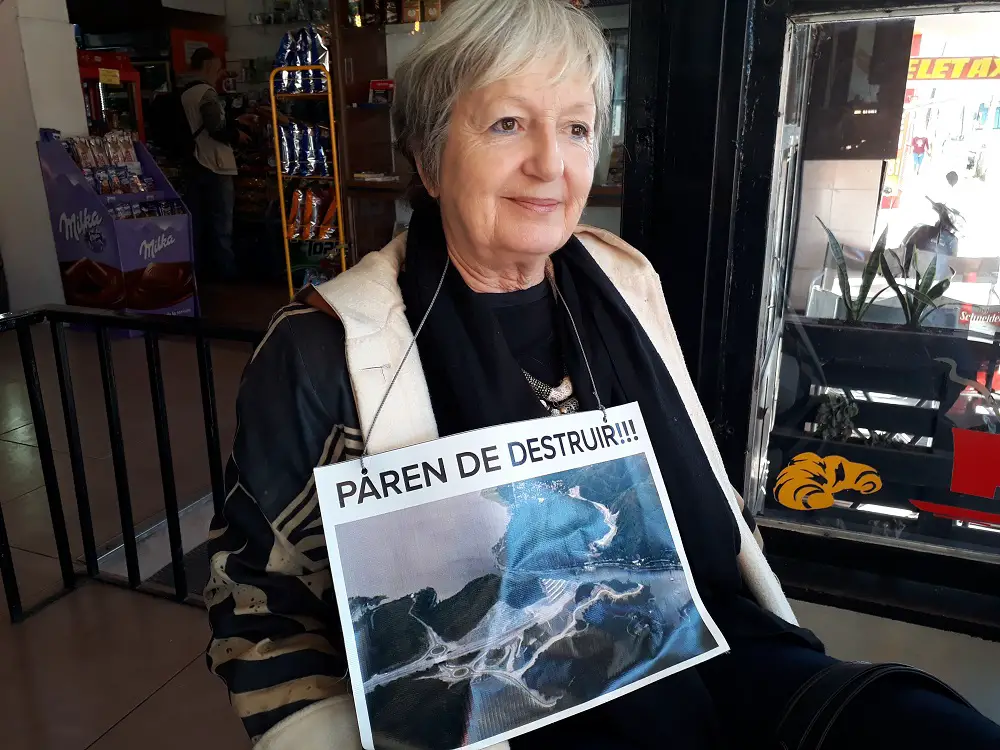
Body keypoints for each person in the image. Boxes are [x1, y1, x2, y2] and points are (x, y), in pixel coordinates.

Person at [204, 2, 1000, 749]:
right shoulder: (326, 347)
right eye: (508, 123)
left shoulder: (624, 281)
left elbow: (703, 505)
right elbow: (258, 610)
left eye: (577, 128)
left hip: (720, 650)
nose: (550, 163)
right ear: (429, 157)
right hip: (510, 715)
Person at [182, 47, 248, 282]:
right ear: (209, 65)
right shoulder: (206, 93)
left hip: (194, 162)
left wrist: (235, 121)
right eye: (218, 68)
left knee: (198, 223)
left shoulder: (185, 92)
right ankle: (227, 276)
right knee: (222, 225)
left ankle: (198, 275)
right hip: (216, 163)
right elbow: (216, 128)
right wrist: (237, 134)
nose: (220, 74)